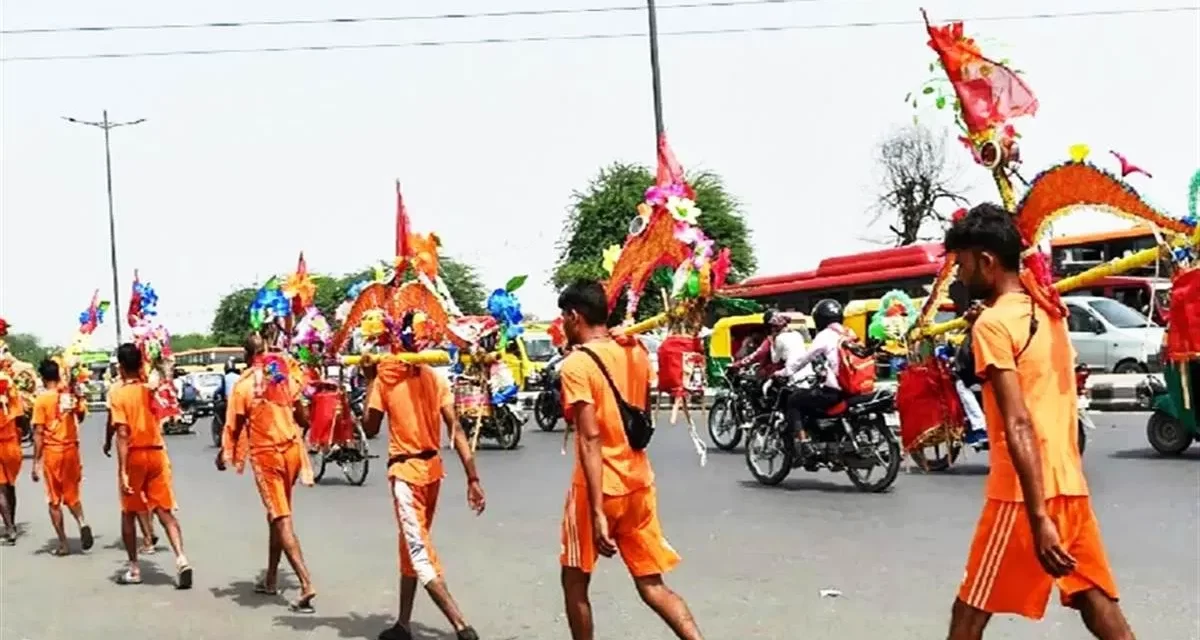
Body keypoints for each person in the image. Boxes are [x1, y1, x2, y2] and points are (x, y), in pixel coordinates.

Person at [942, 203, 1134, 640]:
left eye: (964, 263)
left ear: (987, 262)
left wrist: (1037, 516)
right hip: (1069, 484)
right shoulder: (1050, 310)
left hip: (1022, 493)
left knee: (969, 610)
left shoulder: (992, 324)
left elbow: (1019, 423)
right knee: (1091, 594)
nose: (960, 274)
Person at [556, 280, 703, 640]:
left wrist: (595, 511)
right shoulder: (634, 350)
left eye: (564, 318)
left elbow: (590, 436)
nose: (562, 325)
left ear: (576, 316)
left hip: (600, 488)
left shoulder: (576, 364)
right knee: (652, 585)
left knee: (574, 580)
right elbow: (644, 412)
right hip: (639, 483)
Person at [362, 353, 486, 640]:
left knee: (419, 554)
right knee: (411, 545)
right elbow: (456, 429)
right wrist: (472, 476)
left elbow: (369, 427)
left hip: (408, 474)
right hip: (432, 472)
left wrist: (369, 380)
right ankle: (403, 624)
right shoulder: (435, 376)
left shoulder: (386, 379)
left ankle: (461, 626)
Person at [217, 332, 317, 613]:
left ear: (247, 356)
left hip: (267, 456)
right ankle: (272, 578)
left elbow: (232, 427)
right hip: (292, 452)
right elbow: (302, 416)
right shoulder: (282, 376)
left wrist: (224, 454)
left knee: (281, 518)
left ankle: (306, 583)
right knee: (276, 514)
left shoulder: (243, 385)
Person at [109, 343, 193, 587]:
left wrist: (124, 471)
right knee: (164, 510)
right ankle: (181, 558)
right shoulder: (152, 389)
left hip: (134, 455)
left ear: (122, 367)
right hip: (156, 452)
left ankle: (134, 569)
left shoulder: (118, 393)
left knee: (128, 512)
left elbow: (123, 432)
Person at [30, 358, 93, 556]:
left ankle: (64, 543)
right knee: (72, 494)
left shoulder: (41, 400)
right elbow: (80, 417)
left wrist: (35, 462)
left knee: (54, 500)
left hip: (53, 452)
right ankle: (82, 522)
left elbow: (39, 433)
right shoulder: (68, 395)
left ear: (42, 377)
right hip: (72, 450)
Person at [774, 299, 851, 436]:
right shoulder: (849, 333)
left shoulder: (825, 335)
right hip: (852, 388)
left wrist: (784, 372)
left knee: (794, 400)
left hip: (834, 391)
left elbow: (804, 359)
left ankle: (803, 442)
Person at [103, 378, 162, 556]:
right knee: (152, 495)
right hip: (155, 447)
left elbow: (114, 423)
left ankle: (147, 537)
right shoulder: (150, 387)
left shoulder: (116, 390)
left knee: (135, 497)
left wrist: (107, 441)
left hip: (132, 450)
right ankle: (155, 535)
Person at [728, 310, 805, 378]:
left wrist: (738, 364)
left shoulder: (773, 339)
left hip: (782, 373)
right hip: (801, 370)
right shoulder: (796, 334)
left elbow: (759, 354)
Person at [0, 383, 24, 545]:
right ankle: (12, 523)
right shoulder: (13, 397)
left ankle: (9, 527)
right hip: (12, 447)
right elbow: (23, 421)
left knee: (0, 489)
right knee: (10, 486)